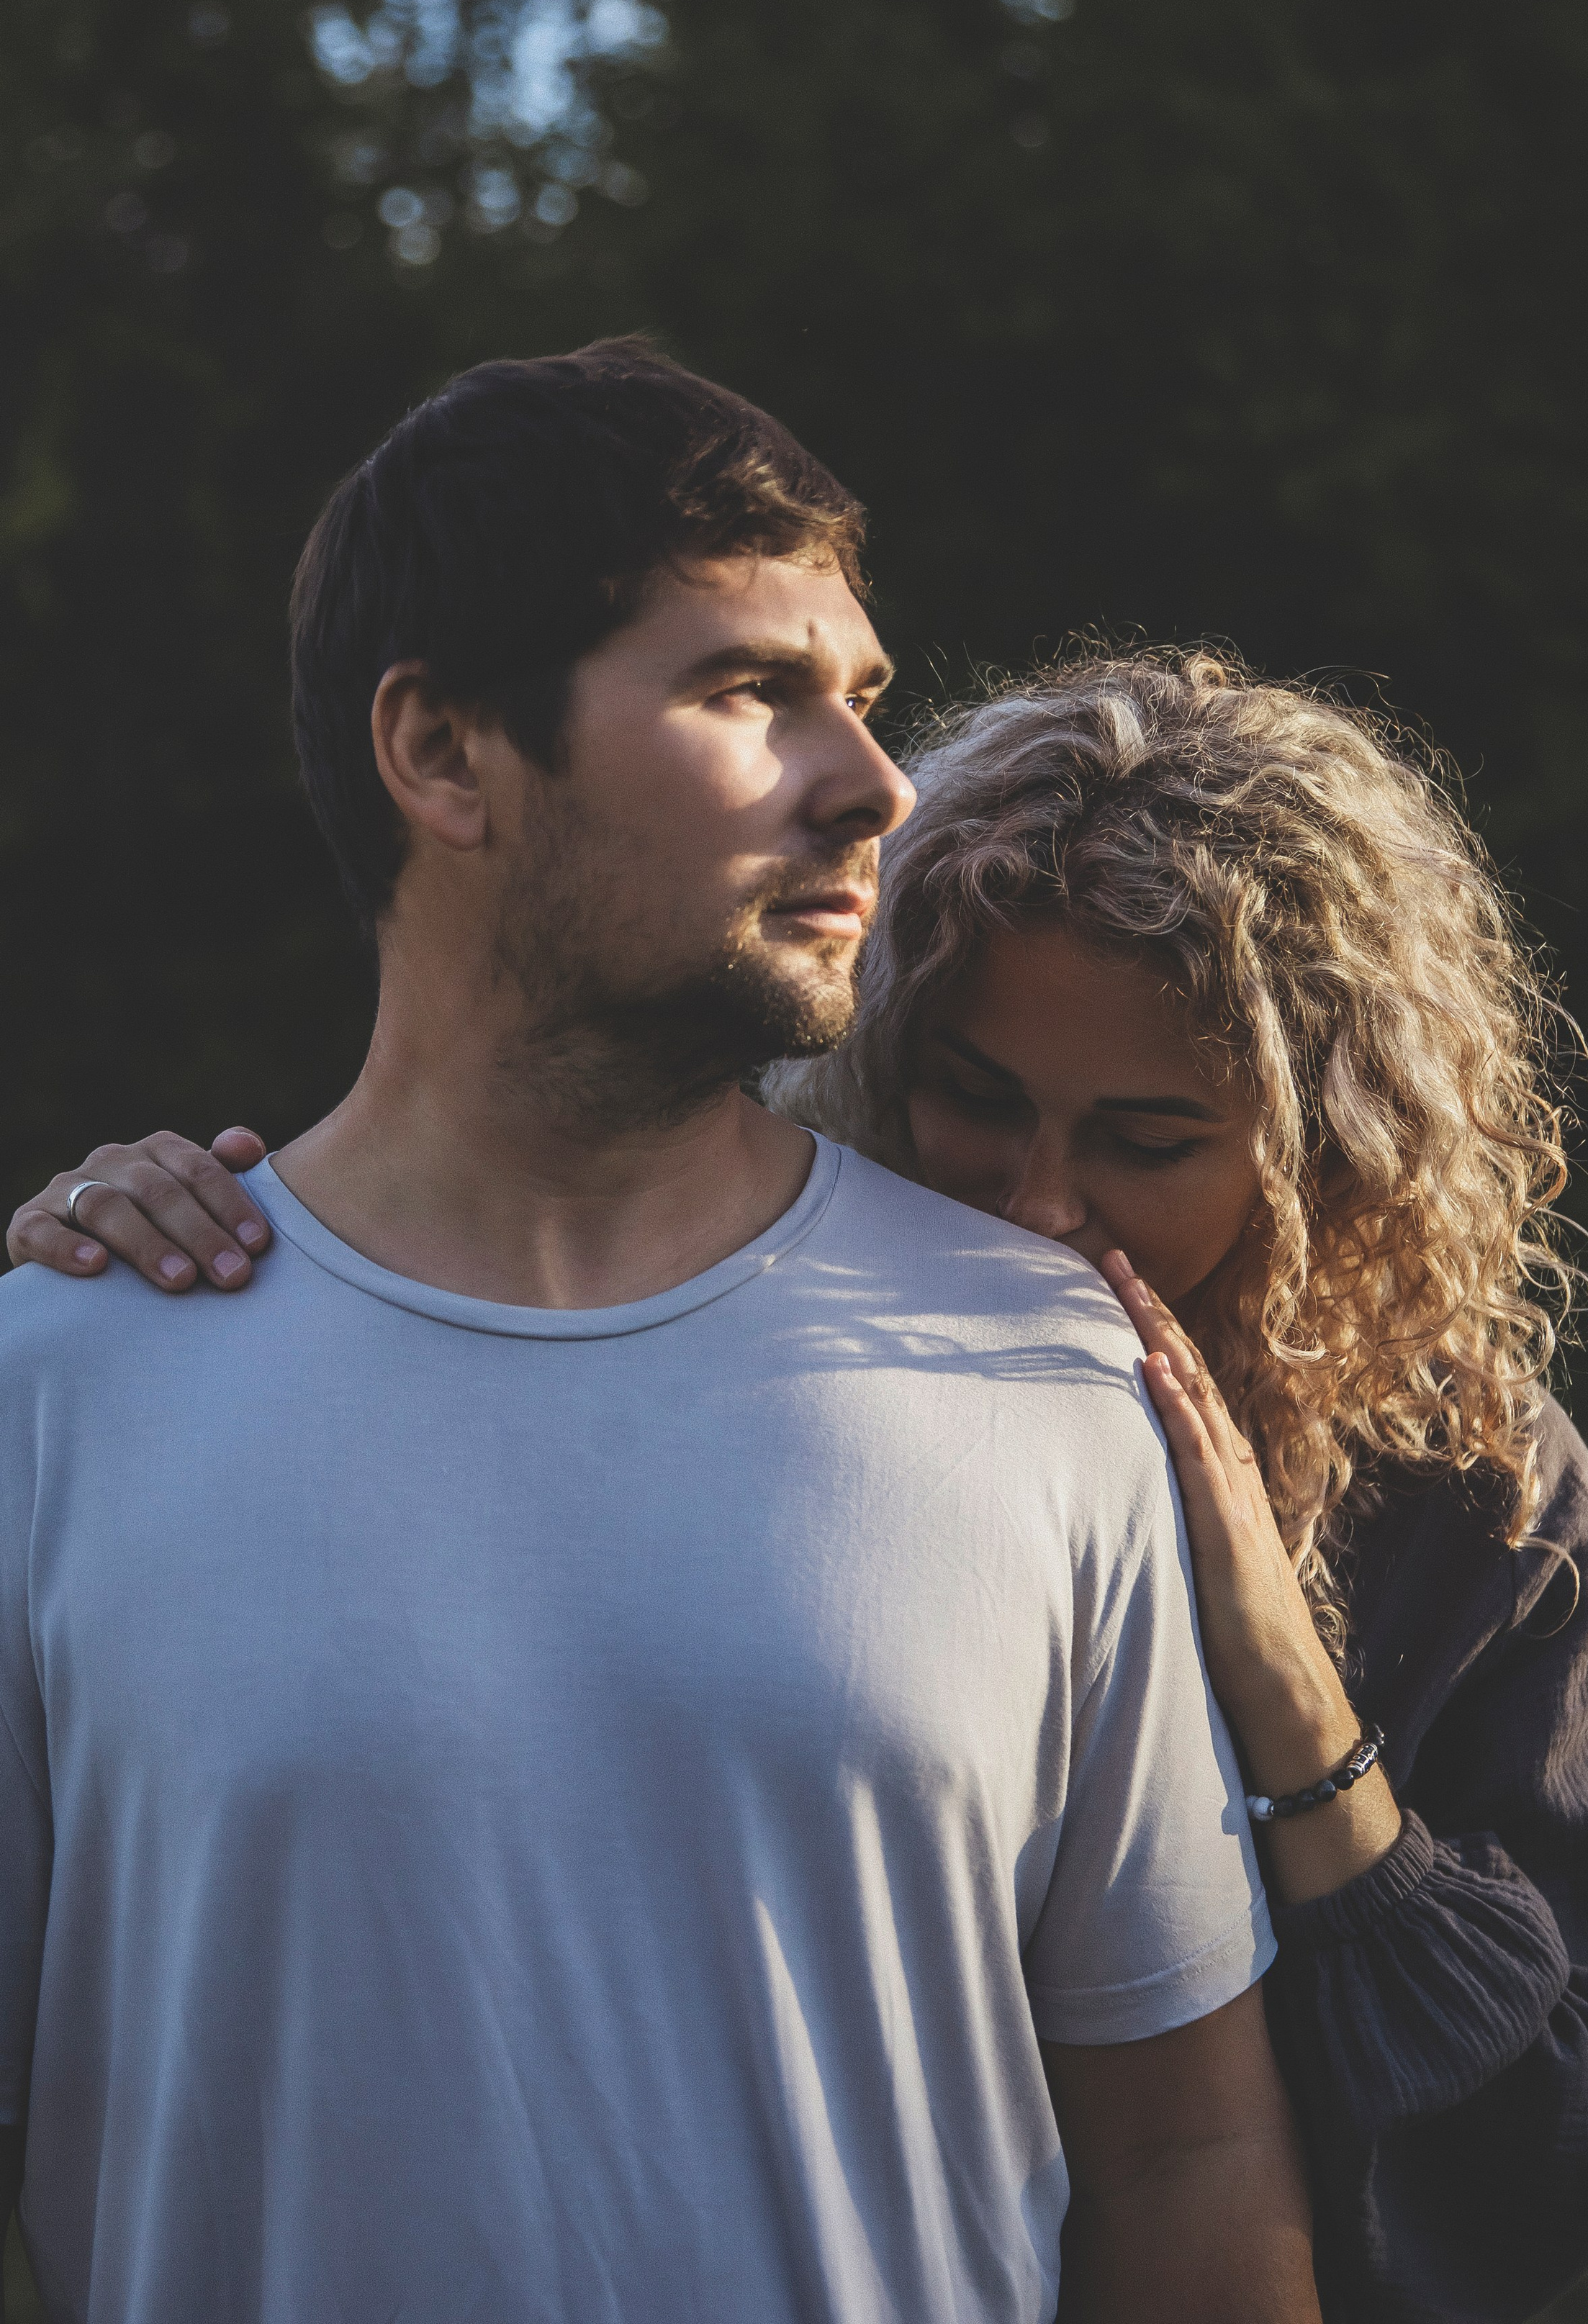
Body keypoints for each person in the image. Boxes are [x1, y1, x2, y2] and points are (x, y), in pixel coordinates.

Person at [21, 643, 1588, 2319]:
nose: (1037, 1204)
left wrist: (1284, 1691)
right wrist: (186, 1278)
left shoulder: (1461, 1483)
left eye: (1143, 1142)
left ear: (1324, 1153)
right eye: (973, 1099)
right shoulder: (763, 1359)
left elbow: (1575, 2135)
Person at [0, 342, 1322, 2324]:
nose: (874, 781)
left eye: (861, 697)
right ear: (443, 755)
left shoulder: (1039, 1368)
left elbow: (1188, 2153)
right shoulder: (64, 1386)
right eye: (743, 692)